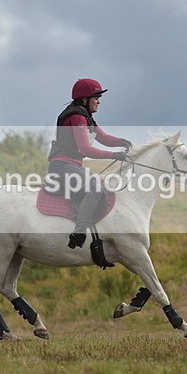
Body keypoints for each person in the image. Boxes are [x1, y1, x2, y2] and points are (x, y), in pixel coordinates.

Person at [47, 78, 132, 249]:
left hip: (72, 167)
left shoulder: (86, 118)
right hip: (62, 167)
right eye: (96, 98)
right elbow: (85, 149)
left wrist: (123, 142)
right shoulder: (77, 117)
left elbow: (104, 138)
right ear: (85, 100)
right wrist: (114, 155)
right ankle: (79, 232)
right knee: (96, 188)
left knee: (102, 185)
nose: (99, 102)